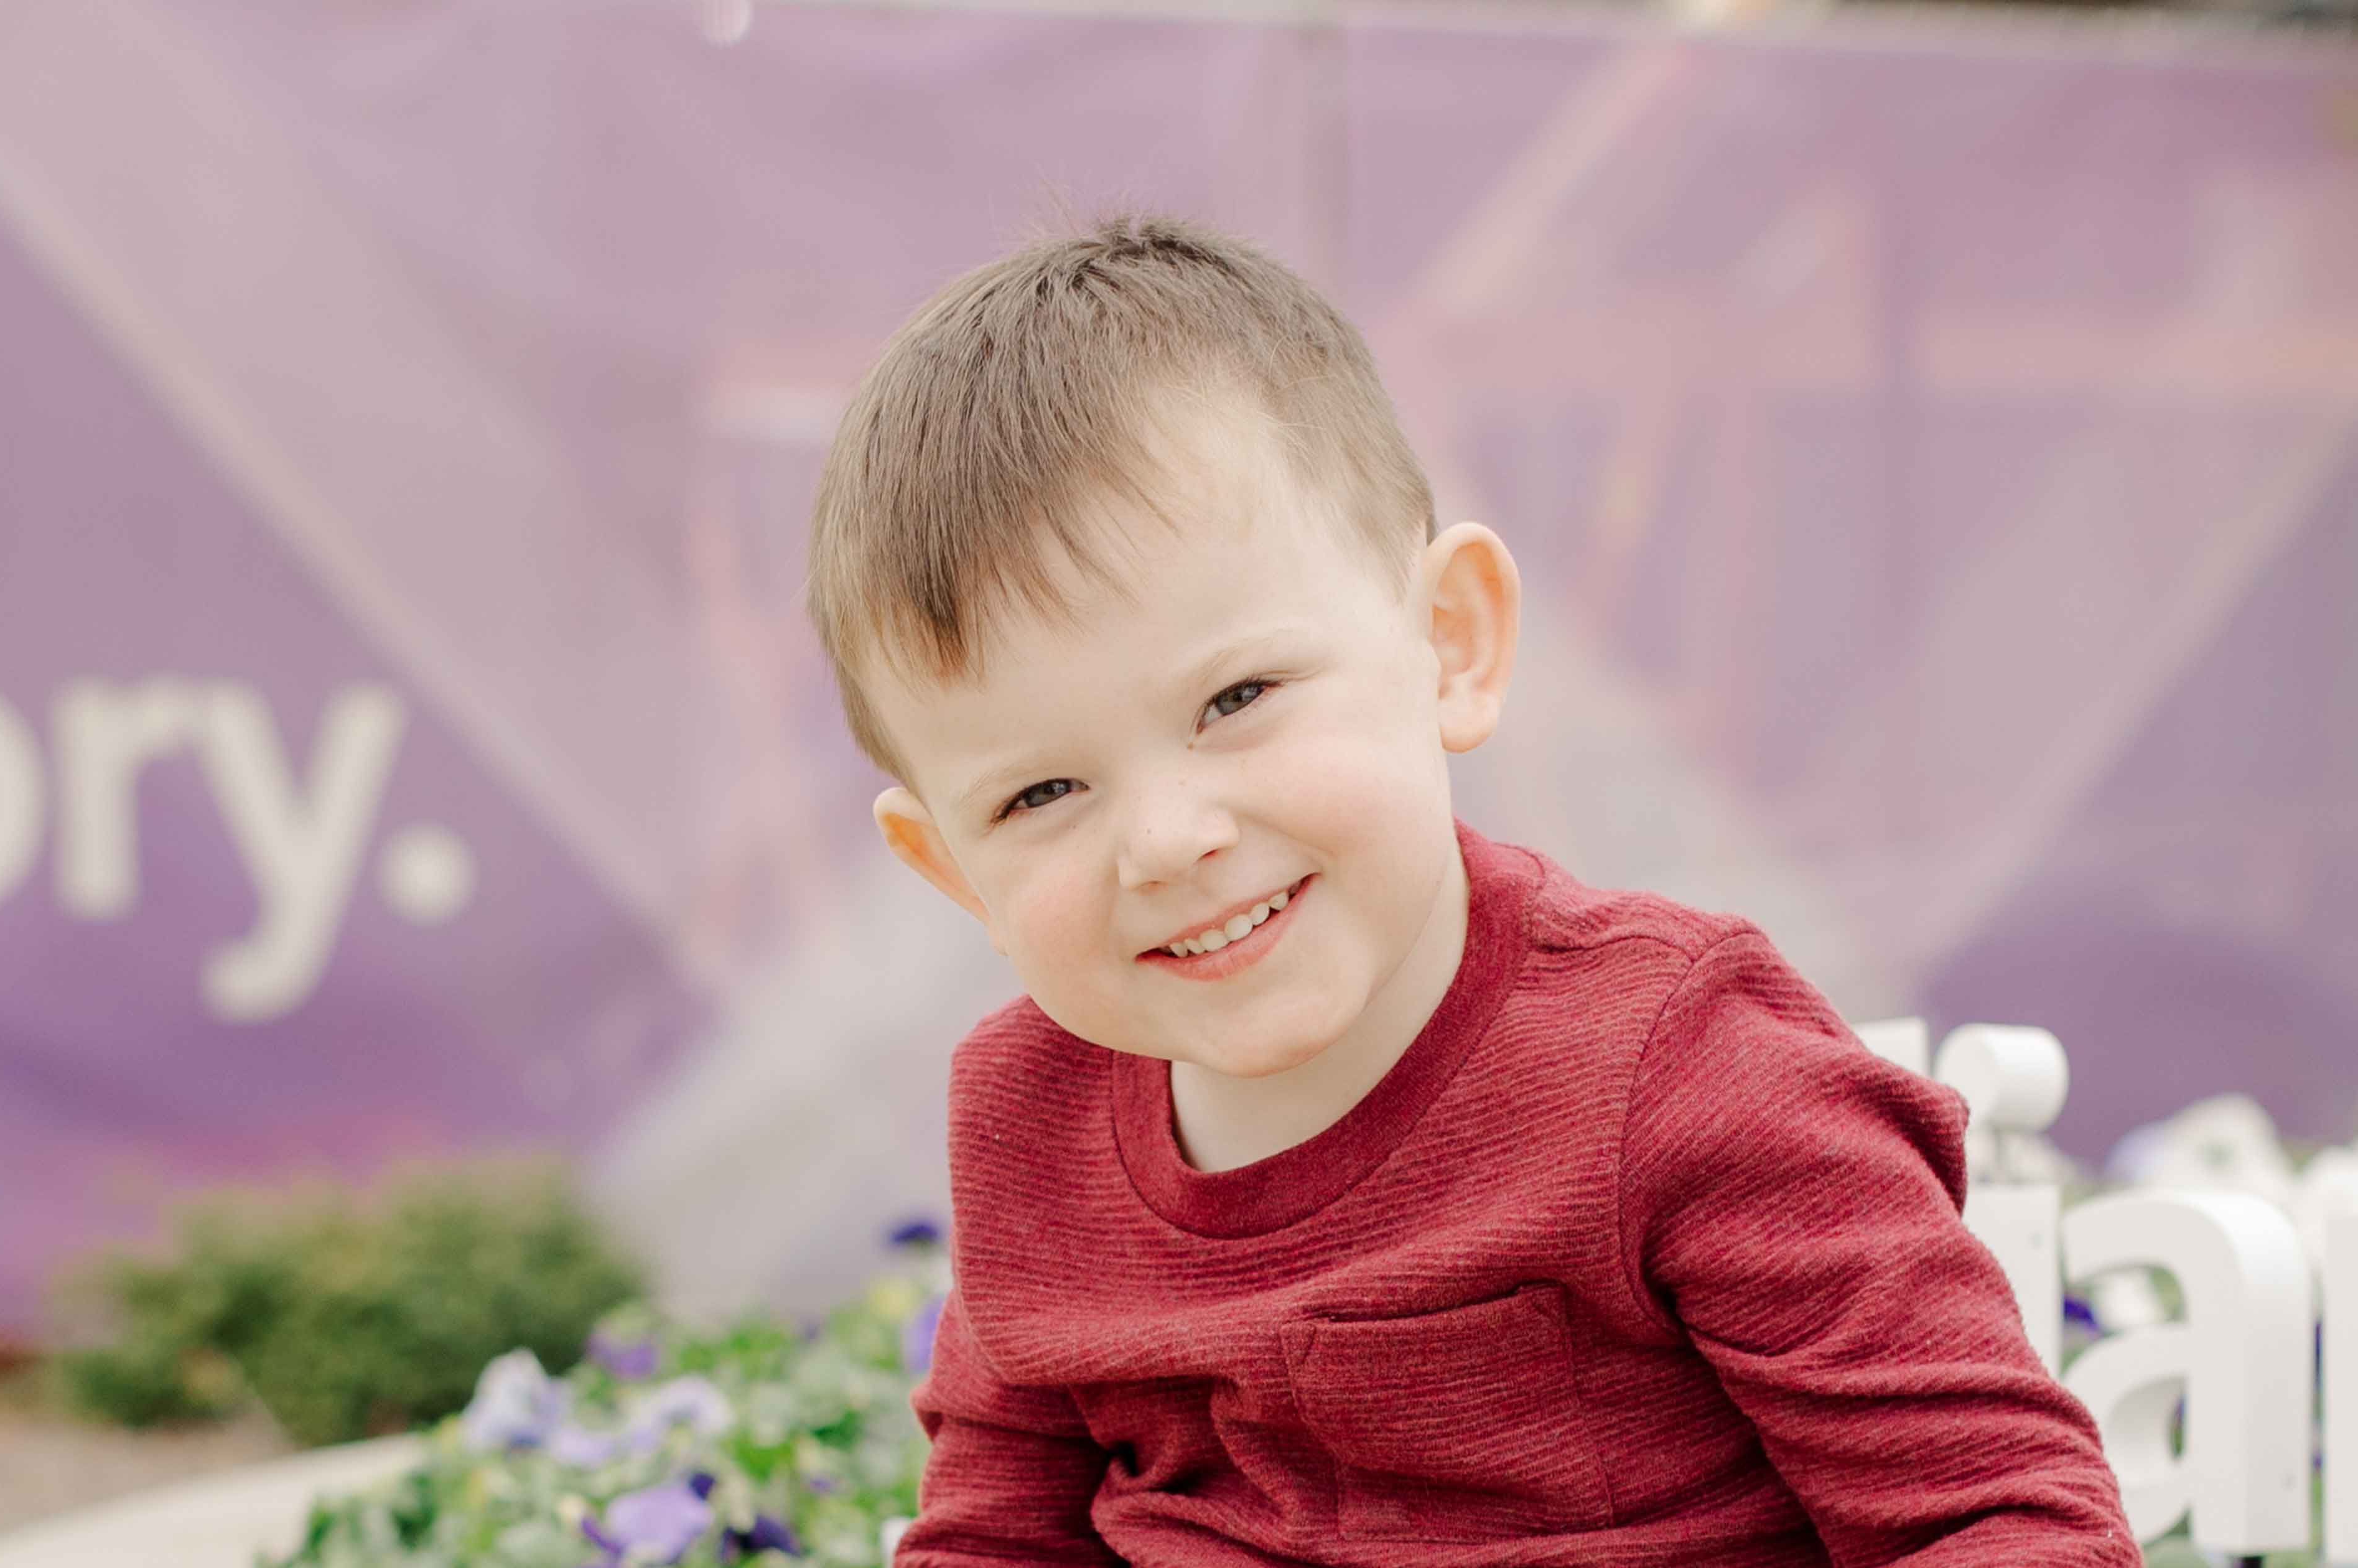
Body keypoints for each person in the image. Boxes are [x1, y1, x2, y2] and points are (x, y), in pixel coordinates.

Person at [803, 214, 2134, 1566]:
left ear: (1450, 644)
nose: (1164, 840)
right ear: (949, 869)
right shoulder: (1032, 1127)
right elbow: (994, 1542)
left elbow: (2000, 1521)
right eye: (1039, 796)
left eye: (1236, 698)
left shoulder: (1672, 1064)